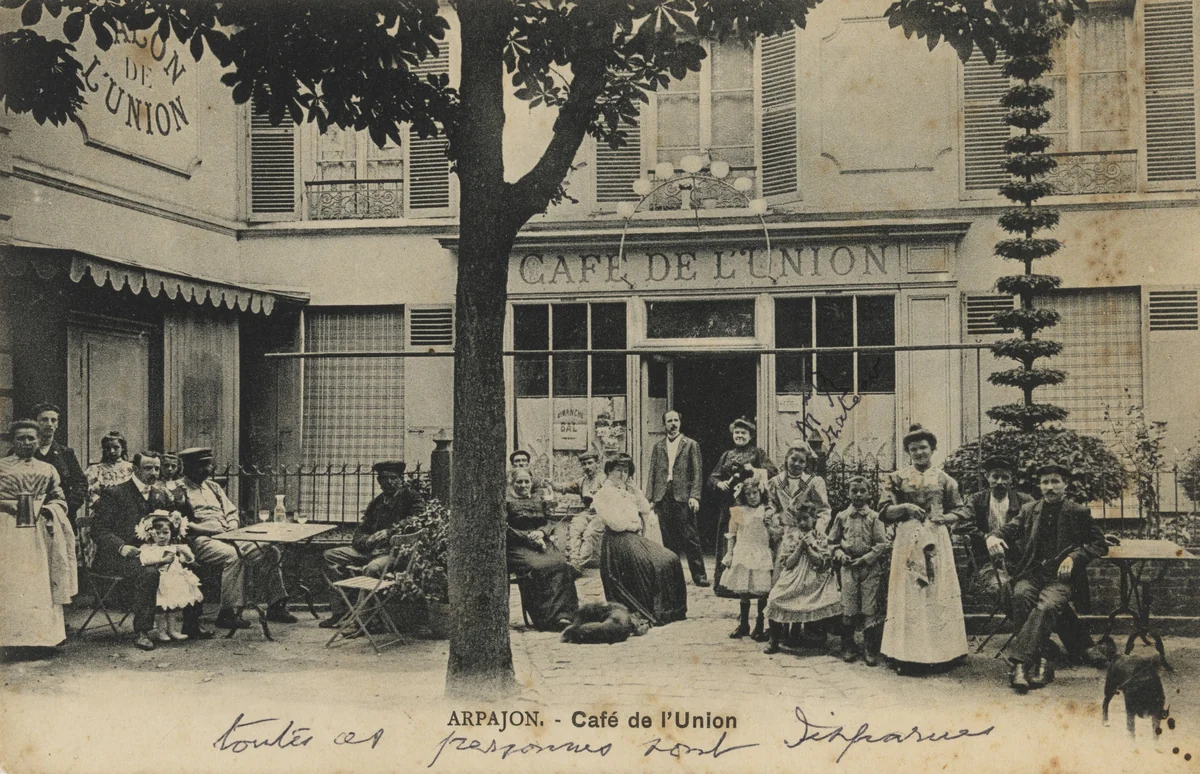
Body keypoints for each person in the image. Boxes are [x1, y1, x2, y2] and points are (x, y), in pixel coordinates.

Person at [988, 461, 1108, 692]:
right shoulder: (1029, 510)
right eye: (1045, 482)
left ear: (1066, 485)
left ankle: (1020, 664)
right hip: (1032, 574)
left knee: (1047, 606)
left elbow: (1098, 544)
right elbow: (1007, 531)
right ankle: (1043, 659)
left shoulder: (1077, 512)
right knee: (1020, 597)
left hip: (1061, 579)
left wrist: (1074, 557)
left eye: (1055, 482)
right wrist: (992, 537)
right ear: (1040, 486)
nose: (1049, 487)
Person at [877, 424, 969, 673]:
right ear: (908, 451)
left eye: (923, 448)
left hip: (936, 540)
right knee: (909, 592)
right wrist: (905, 508)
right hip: (907, 539)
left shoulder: (945, 480)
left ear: (933, 449)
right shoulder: (895, 478)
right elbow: (883, 511)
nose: (919, 453)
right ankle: (904, 653)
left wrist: (945, 519)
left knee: (937, 591)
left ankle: (944, 652)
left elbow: (962, 510)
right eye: (913, 448)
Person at [91, 451, 202, 650]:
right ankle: (142, 632)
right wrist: (121, 547)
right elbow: (98, 530)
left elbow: (169, 526)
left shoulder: (160, 494)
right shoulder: (115, 493)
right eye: (148, 468)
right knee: (150, 573)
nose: (154, 472)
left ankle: (190, 626)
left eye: (156, 468)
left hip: (155, 552)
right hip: (120, 557)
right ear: (135, 469)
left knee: (188, 566)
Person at [176, 447, 296, 631]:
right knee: (233, 556)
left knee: (270, 551)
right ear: (187, 467)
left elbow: (231, 511)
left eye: (208, 465)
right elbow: (177, 523)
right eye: (201, 466)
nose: (206, 470)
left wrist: (232, 523)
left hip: (230, 535)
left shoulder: (213, 487)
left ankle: (276, 605)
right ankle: (228, 613)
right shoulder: (177, 490)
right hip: (201, 540)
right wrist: (206, 529)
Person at [0, 420, 77, 651]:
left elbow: (59, 498)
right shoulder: (1, 467)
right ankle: (8, 638)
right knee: (10, 580)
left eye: (31, 438)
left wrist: (48, 509)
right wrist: (8, 505)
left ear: (38, 440)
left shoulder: (47, 469)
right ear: (12, 441)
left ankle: (40, 639)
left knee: (38, 581)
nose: (26, 442)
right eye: (21, 438)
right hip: (6, 529)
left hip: (39, 531)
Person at [321, 460, 423, 628]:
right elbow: (360, 531)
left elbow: (417, 519)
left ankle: (362, 622)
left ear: (401, 479)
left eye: (393, 478)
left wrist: (390, 532)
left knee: (372, 569)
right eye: (384, 478)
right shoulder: (376, 503)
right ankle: (340, 612)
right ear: (379, 481)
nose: (389, 482)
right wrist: (367, 540)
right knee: (330, 556)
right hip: (371, 550)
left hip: (395, 552)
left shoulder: (412, 498)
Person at [592, 455, 687, 626]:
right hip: (617, 542)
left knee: (670, 558)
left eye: (626, 471)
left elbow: (644, 507)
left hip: (632, 539)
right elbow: (615, 523)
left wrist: (635, 491)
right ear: (608, 472)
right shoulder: (603, 494)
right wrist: (634, 523)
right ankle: (651, 607)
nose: (622, 475)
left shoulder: (628, 492)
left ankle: (670, 610)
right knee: (651, 564)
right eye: (618, 471)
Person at [762, 479, 842, 654]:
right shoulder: (792, 536)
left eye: (806, 519)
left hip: (812, 575)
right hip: (794, 573)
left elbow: (821, 562)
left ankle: (801, 634)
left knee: (810, 598)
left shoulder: (819, 536)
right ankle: (774, 638)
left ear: (814, 519)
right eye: (799, 520)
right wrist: (800, 547)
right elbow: (788, 563)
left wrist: (810, 547)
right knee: (775, 598)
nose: (803, 523)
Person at [766, 441, 831, 645]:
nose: (796, 464)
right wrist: (772, 515)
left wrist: (818, 529)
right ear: (786, 459)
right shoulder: (776, 481)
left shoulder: (813, 482)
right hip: (785, 536)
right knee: (781, 581)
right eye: (793, 459)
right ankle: (779, 630)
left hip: (806, 534)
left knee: (803, 584)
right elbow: (771, 504)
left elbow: (824, 509)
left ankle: (797, 630)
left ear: (806, 464)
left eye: (801, 461)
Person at [506, 468, 579, 631]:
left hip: (542, 541)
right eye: (519, 481)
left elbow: (549, 522)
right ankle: (545, 618)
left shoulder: (538, 499)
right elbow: (506, 527)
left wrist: (541, 532)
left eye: (527, 481)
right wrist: (527, 537)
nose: (523, 485)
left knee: (561, 565)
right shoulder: (507, 501)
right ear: (513, 483)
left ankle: (564, 615)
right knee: (539, 568)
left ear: (532, 483)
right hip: (518, 545)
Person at [710, 417, 777, 595]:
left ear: (750, 435)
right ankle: (727, 586)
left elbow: (772, 472)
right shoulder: (726, 455)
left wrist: (754, 470)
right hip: (731, 505)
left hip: (751, 505)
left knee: (749, 541)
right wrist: (719, 484)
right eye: (737, 432)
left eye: (743, 433)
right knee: (730, 537)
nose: (739, 436)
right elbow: (713, 476)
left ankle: (752, 587)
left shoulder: (758, 453)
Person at [829, 476, 890, 665]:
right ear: (848, 493)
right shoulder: (841, 516)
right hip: (848, 568)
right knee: (849, 605)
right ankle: (848, 645)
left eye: (862, 490)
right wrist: (840, 555)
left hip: (869, 568)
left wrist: (866, 558)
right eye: (854, 490)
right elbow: (832, 542)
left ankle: (869, 647)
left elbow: (882, 543)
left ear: (869, 493)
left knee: (869, 607)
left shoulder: (874, 517)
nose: (858, 494)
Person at [645, 411, 709, 586]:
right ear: (664, 424)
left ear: (680, 422)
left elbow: (697, 473)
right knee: (668, 538)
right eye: (669, 421)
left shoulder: (690, 445)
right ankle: (672, 576)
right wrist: (649, 498)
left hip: (682, 496)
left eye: (675, 420)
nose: (672, 424)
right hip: (662, 495)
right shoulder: (658, 446)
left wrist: (695, 496)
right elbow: (652, 473)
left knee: (690, 537)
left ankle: (699, 575)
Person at [956, 455, 1032, 596]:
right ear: (987, 477)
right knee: (1001, 589)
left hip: (1019, 562)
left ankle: (1021, 617)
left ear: (1011, 479)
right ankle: (1020, 617)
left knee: (1025, 592)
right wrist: (985, 537)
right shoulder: (976, 500)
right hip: (986, 562)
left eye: (1005, 478)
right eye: (995, 477)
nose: (999, 482)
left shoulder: (1024, 501)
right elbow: (962, 524)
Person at [722, 472, 774, 641]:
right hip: (743, 552)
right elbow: (732, 534)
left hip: (760, 552)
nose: (752, 497)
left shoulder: (766, 511)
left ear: (761, 493)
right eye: (748, 494)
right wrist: (729, 554)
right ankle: (744, 623)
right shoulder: (738, 511)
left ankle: (760, 623)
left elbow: (773, 533)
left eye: (755, 493)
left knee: (761, 589)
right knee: (743, 589)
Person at [137, 511, 204, 642]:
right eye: (158, 533)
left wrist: (186, 552)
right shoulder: (148, 548)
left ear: (171, 533)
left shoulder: (175, 547)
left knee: (173, 607)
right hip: (161, 580)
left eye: (165, 532)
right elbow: (144, 561)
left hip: (174, 580)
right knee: (162, 607)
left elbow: (188, 560)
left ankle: (173, 630)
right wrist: (161, 560)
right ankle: (161, 631)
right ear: (151, 534)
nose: (162, 536)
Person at [30, 403, 87, 528]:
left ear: (57, 425)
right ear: (35, 423)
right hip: (31, 516)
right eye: (44, 420)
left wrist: (69, 506)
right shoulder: (27, 452)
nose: (49, 424)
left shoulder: (66, 453)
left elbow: (80, 483)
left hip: (62, 516)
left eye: (53, 420)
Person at [555, 450, 607, 570]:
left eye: (590, 463)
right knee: (575, 528)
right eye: (584, 464)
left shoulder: (603, 479)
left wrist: (599, 502)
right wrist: (551, 483)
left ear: (597, 464)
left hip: (602, 514)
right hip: (587, 513)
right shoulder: (582, 481)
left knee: (590, 534)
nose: (587, 467)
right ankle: (573, 560)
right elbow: (564, 487)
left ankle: (578, 564)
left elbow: (611, 497)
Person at [85, 430, 135, 508]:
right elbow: (90, 492)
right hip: (104, 510)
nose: (112, 451)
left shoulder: (132, 468)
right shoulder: (95, 470)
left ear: (123, 448)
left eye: (116, 447)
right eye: (107, 448)